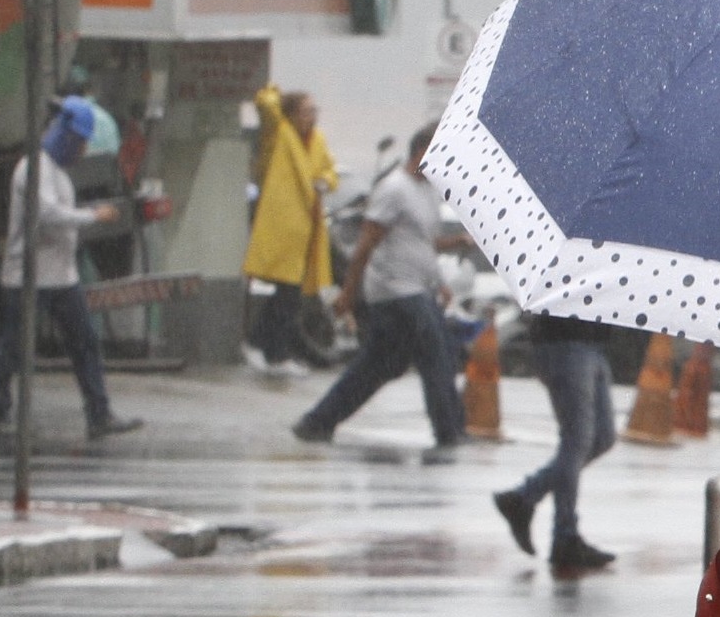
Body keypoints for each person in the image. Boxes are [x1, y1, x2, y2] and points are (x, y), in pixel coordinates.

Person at [292, 122, 464, 457]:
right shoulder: (394, 188)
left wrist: (446, 267)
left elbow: (422, 243)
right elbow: (366, 244)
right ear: (421, 151)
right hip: (394, 290)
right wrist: (348, 294)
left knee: (380, 365)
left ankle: (317, 422)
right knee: (438, 350)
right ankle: (449, 431)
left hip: (418, 288)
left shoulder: (427, 191)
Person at [0, 99, 140, 442]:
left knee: (85, 344)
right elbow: (48, 215)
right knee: (13, 346)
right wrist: (92, 216)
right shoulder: (32, 170)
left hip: (62, 277)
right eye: (80, 142)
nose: (82, 150)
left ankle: (99, 414)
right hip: (28, 277)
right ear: (66, 137)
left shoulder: (59, 175)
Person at [493, 314, 620, 572]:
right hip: (565, 341)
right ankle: (565, 536)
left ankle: (523, 498)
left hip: (592, 342)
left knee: (602, 437)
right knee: (576, 441)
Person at [244, 88, 336, 375]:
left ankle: (269, 349)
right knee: (287, 293)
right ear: (292, 113)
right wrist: (276, 96)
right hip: (283, 225)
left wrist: (324, 181)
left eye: (314, 110)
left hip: (307, 229)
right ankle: (268, 349)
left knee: (290, 295)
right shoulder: (280, 133)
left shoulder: (317, 140)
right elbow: (265, 104)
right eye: (306, 110)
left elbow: (328, 171)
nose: (312, 116)